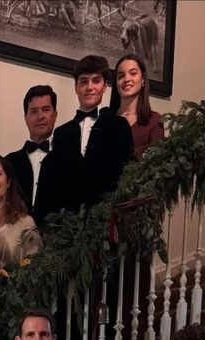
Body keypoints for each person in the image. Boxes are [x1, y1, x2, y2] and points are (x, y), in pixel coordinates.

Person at [34, 54, 134, 227]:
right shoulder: (61, 133)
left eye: (96, 81)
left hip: (107, 224)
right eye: (84, 81)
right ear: (76, 87)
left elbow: (127, 175)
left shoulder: (119, 126)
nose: (90, 87)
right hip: (67, 227)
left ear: (105, 86)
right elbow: (55, 183)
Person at [4, 85, 59, 215]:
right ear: (26, 118)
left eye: (46, 110)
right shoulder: (8, 163)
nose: (40, 116)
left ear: (55, 115)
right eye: (34, 111)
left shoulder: (71, 160)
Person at [109, 53, 164, 159]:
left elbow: (156, 162)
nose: (126, 79)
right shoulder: (106, 120)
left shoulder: (155, 120)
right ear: (116, 84)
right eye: (121, 76)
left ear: (142, 79)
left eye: (133, 73)